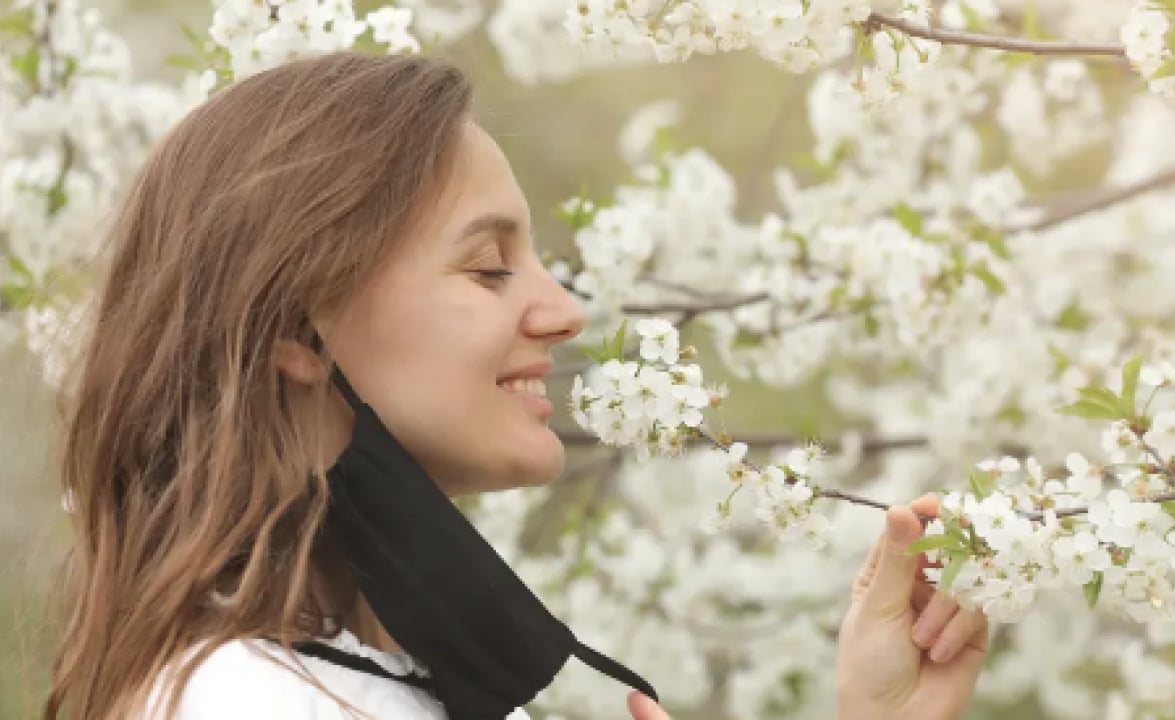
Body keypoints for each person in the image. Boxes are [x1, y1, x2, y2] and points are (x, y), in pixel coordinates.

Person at [41, 52, 988, 720]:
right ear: (297, 326)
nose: (564, 310)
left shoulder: (369, 683)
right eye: (490, 267)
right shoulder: (247, 702)